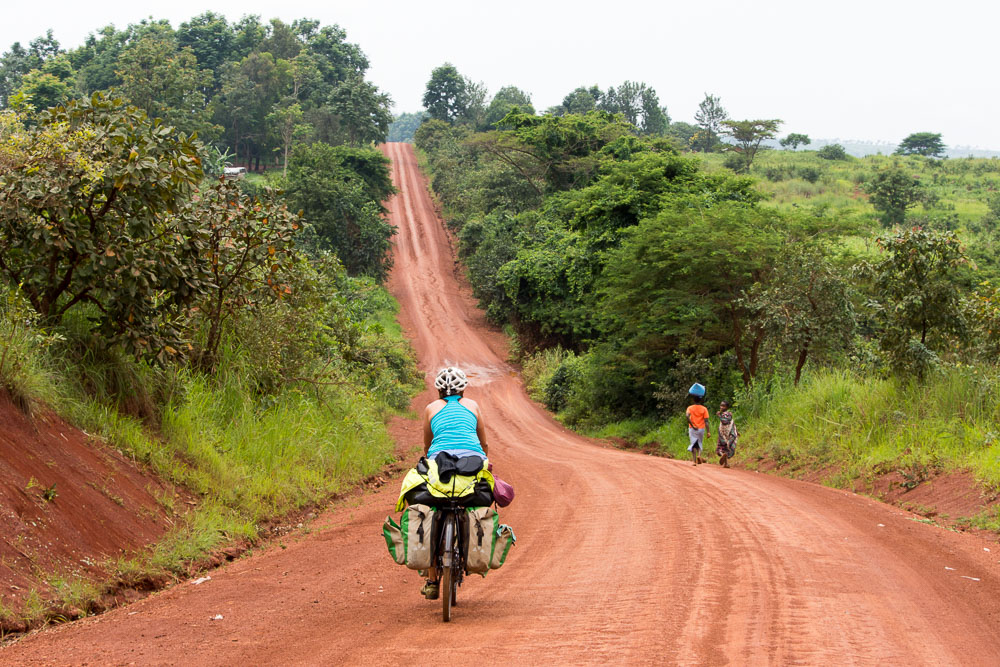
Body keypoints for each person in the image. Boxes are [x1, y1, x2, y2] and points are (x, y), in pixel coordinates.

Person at [419, 366, 488, 600]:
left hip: (440, 465)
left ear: (438, 390)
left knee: (431, 510)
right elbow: (483, 442)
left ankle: (431, 580)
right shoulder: (473, 406)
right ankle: (474, 554)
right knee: (471, 506)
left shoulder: (431, 409)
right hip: (472, 463)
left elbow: (428, 447)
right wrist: (486, 460)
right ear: (463, 389)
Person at [686, 384, 709, 466]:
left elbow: (687, 416)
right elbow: (706, 421)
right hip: (701, 429)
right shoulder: (704, 409)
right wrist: (708, 432)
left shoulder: (690, 408)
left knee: (693, 444)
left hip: (692, 429)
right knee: (699, 443)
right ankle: (699, 456)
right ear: (701, 399)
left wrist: (692, 424)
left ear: (693, 399)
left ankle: (694, 461)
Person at [716, 401, 738, 468]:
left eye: (723, 406)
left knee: (720, 448)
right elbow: (731, 423)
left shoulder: (726, 414)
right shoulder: (729, 414)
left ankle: (723, 455)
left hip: (724, 435)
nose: (721, 407)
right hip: (728, 434)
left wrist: (719, 415)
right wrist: (736, 431)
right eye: (721, 405)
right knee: (726, 448)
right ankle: (726, 463)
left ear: (727, 407)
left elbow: (725, 421)